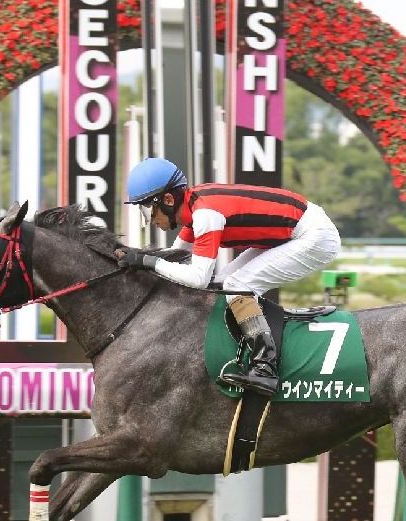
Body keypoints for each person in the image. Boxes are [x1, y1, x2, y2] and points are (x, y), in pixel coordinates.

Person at [120, 157, 341, 398]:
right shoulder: (192, 210)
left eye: (147, 210)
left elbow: (197, 278)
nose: (150, 220)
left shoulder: (205, 215)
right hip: (293, 230)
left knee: (236, 285)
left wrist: (146, 261)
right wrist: (138, 261)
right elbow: (174, 259)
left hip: (314, 236)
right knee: (223, 283)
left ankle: (265, 368)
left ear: (169, 200)